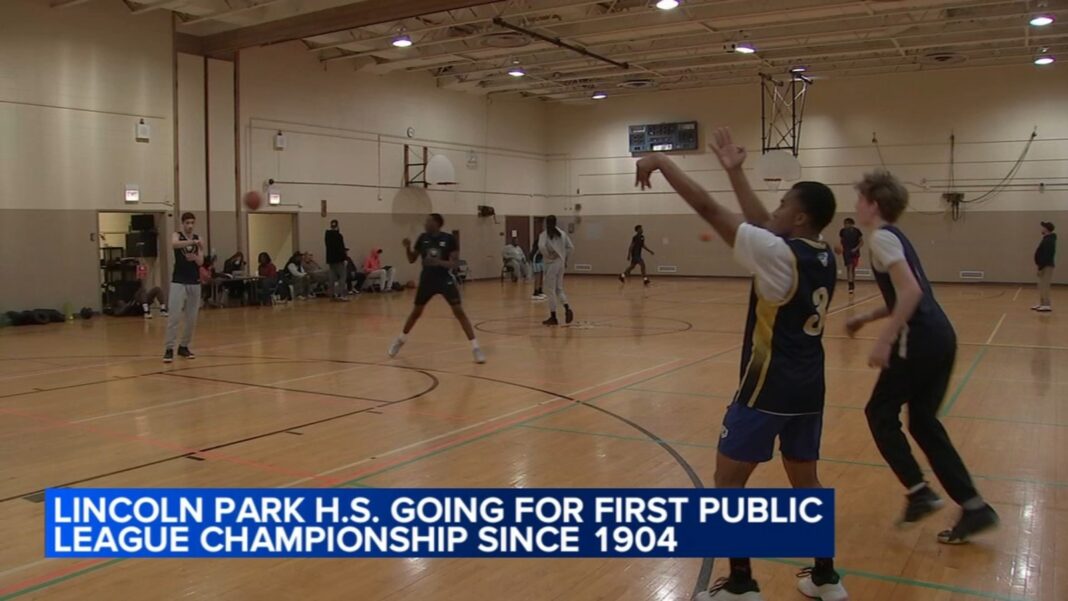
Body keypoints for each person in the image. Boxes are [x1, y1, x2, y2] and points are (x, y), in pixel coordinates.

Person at [637, 127, 846, 601]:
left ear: (800, 216)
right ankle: (825, 578)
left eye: (783, 204)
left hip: (766, 387)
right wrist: (734, 172)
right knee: (806, 482)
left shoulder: (777, 254)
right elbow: (766, 227)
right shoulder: (822, 255)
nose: (775, 209)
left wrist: (664, 163)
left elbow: (711, 211)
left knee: (728, 484)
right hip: (809, 388)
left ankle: (741, 584)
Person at [846, 169, 998, 545]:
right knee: (924, 424)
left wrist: (884, 339)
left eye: (860, 199)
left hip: (918, 341)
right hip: (940, 336)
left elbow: (911, 292)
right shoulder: (895, 237)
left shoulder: (881, 238)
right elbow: (905, 294)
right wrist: (867, 317)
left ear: (873, 205)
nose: (856, 205)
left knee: (879, 413)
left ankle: (919, 493)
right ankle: (975, 507)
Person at [388, 214, 485, 364]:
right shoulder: (422, 238)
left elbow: (454, 264)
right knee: (416, 312)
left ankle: (476, 348)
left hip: (444, 279)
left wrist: (437, 262)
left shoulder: (449, 239)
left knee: (459, 311)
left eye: (429, 221)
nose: (425, 223)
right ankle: (400, 340)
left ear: (437, 223)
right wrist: (407, 247)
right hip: (427, 280)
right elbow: (412, 259)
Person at [163, 212, 204, 363]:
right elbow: (174, 244)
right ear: (183, 224)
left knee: (191, 318)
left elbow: (201, 262)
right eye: (187, 223)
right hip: (178, 281)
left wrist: (195, 257)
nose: (190, 226)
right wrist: (192, 242)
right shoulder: (177, 236)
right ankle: (169, 348)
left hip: (194, 281)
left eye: (192, 223)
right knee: (174, 316)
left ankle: (184, 346)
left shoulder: (199, 238)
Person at [538, 215, 574, 325]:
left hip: (552, 264)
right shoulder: (562, 234)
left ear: (546, 223)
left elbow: (541, 247)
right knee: (559, 289)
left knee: (550, 290)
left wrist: (549, 255)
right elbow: (571, 247)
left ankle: (553, 316)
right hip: (561, 263)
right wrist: (564, 257)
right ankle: (567, 308)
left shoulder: (544, 235)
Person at [1033, 221, 1056, 312]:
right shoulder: (1046, 239)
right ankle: (1042, 303)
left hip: (1046, 266)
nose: (1042, 229)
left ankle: (1046, 304)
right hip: (1043, 265)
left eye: (1043, 227)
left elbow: (1047, 255)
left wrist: (1041, 267)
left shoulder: (1049, 240)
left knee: (1045, 286)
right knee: (1041, 286)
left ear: (1046, 229)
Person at [325, 219, 349, 302]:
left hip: (330, 260)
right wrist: (344, 258)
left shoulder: (327, 235)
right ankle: (340, 294)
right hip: (339, 259)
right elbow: (341, 248)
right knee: (342, 276)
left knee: (332, 277)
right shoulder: (339, 236)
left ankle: (332, 295)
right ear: (337, 226)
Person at [839, 218, 863, 295]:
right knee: (849, 267)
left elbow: (861, 242)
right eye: (844, 223)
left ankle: (851, 283)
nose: (845, 225)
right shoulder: (842, 231)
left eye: (846, 223)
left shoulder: (857, 231)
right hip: (846, 252)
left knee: (852, 268)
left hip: (855, 252)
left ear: (851, 224)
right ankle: (850, 284)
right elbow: (841, 241)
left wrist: (855, 249)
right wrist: (841, 248)